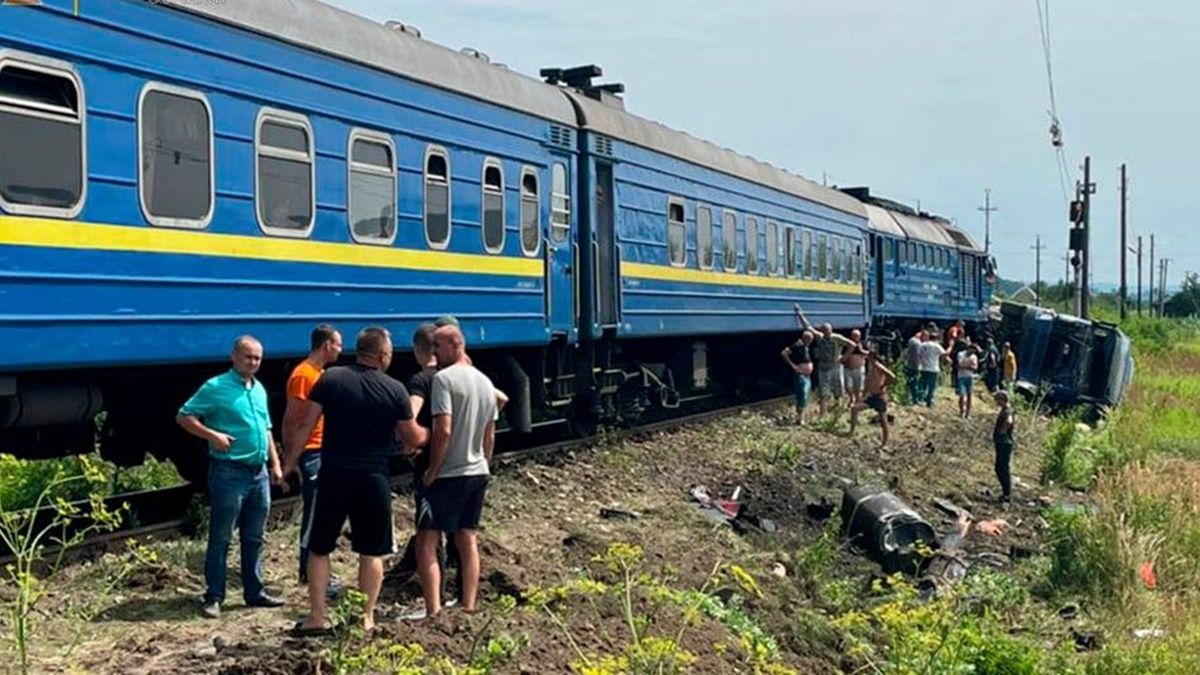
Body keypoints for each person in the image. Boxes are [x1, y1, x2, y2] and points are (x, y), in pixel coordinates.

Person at [284, 327, 428, 634]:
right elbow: (412, 437)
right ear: (382, 355)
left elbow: (305, 426)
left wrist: (288, 464)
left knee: (319, 548)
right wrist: (435, 434)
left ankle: (317, 618)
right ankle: (365, 618)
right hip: (373, 479)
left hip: (334, 474)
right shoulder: (395, 389)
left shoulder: (331, 379)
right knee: (372, 551)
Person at [176, 336, 285, 619]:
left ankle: (254, 592)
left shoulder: (259, 389)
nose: (253, 362)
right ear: (234, 356)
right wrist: (213, 435)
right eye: (248, 357)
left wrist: (275, 464)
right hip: (229, 472)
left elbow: (267, 429)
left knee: (255, 536)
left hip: (258, 473)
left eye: (258, 358)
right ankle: (214, 596)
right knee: (221, 537)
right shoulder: (215, 387)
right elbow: (184, 416)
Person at [413, 324, 498, 619]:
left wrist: (433, 470)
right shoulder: (486, 382)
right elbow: (490, 434)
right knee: (467, 537)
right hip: (477, 471)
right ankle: (469, 605)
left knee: (427, 539)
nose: (434, 353)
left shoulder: (443, 380)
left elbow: (443, 429)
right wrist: (484, 463)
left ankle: (433, 609)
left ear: (455, 345)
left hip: (448, 474)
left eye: (438, 346)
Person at [282, 324, 343, 597]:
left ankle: (314, 571)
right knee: (315, 516)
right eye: (338, 344)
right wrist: (290, 458)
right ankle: (310, 573)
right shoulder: (304, 376)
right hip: (312, 452)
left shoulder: (318, 374)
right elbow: (292, 418)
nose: (341, 349)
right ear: (326, 345)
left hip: (321, 450)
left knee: (320, 514)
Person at [796, 307, 853, 418]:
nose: (826, 333)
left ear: (831, 330)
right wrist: (800, 314)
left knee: (838, 389)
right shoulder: (820, 337)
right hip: (823, 368)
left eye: (828, 331)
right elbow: (808, 327)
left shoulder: (837, 338)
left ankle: (838, 411)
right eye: (824, 331)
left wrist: (844, 357)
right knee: (824, 392)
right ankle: (822, 415)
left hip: (835, 366)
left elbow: (852, 345)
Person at [850, 348, 896, 450]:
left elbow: (892, 376)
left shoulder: (878, 366)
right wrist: (863, 396)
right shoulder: (870, 368)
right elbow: (868, 383)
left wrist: (883, 385)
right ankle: (851, 432)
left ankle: (884, 443)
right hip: (871, 396)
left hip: (880, 396)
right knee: (854, 408)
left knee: (883, 421)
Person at [780, 330, 815, 426]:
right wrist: (793, 366)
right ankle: (799, 419)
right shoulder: (797, 346)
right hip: (801, 374)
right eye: (809, 339)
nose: (810, 342)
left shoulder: (806, 347)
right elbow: (784, 353)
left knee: (806, 395)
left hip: (807, 375)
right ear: (805, 338)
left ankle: (801, 417)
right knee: (802, 394)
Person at [993, 390, 1016, 502]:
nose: (996, 403)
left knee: (1002, 469)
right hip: (1002, 443)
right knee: (1000, 468)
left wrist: (1002, 431)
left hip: (1004, 443)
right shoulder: (1006, 410)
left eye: (997, 400)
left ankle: (1007, 494)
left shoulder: (1007, 411)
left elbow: (1009, 421)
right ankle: (1005, 493)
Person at [917, 331, 948, 407]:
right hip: (933, 368)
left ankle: (921, 399)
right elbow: (944, 354)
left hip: (924, 368)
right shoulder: (936, 346)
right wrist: (950, 347)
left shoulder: (922, 345)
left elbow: (919, 355)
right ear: (936, 339)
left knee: (923, 385)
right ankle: (929, 401)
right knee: (932, 386)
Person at [841, 329, 869, 407]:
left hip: (859, 368)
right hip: (848, 369)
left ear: (859, 337)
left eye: (856, 336)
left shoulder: (863, 344)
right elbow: (843, 357)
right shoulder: (846, 345)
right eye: (853, 336)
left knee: (858, 386)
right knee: (847, 386)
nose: (854, 337)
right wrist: (849, 350)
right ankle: (851, 397)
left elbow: (868, 354)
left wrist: (861, 350)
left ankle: (857, 401)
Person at [955, 337, 979, 418]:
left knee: (969, 396)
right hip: (961, 377)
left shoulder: (974, 356)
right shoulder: (960, 354)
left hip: (970, 377)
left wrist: (966, 365)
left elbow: (975, 368)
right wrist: (969, 364)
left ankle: (968, 414)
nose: (974, 352)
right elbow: (960, 365)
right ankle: (961, 412)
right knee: (962, 395)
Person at [905, 329, 926, 405]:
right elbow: (917, 356)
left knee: (909, 382)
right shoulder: (917, 343)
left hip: (909, 364)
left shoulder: (911, 340)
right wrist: (918, 367)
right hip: (914, 366)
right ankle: (915, 400)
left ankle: (907, 397)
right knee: (915, 383)